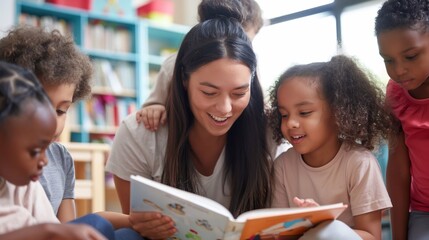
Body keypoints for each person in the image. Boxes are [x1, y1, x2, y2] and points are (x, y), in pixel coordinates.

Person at [105, 8, 273, 240]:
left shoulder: (267, 131)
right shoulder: (139, 134)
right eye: (209, 92)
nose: (224, 108)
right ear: (184, 79)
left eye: (238, 93)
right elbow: (135, 226)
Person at [268, 55, 394, 240]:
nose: (291, 123)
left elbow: (371, 236)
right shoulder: (283, 166)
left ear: (338, 112)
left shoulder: (359, 163)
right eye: (284, 115)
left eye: (304, 113)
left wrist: (324, 225)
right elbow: (278, 234)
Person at [0, 60, 107, 240]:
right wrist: (48, 232)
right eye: (35, 151)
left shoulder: (27, 187)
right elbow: (51, 231)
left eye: (61, 111)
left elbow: (60, 229)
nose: (45, 160)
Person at [0, 26, 91, 223]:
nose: (51, 123)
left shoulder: (60, 158)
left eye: (60, 111)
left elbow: (66, 229)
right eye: (43, 107)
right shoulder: (12, 167)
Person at [137, 0, 264, 131]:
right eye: (209, 92)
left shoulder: (250, 64)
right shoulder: (175, 62)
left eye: (244, 40)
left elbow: (259, 102)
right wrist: (154, 107)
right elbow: (153, 101)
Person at [375, 0, 429, 239]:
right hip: (424, 211)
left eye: (410, 56)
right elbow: (398, 170)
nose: (398, 71)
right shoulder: (395, 92)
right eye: (388, 60)